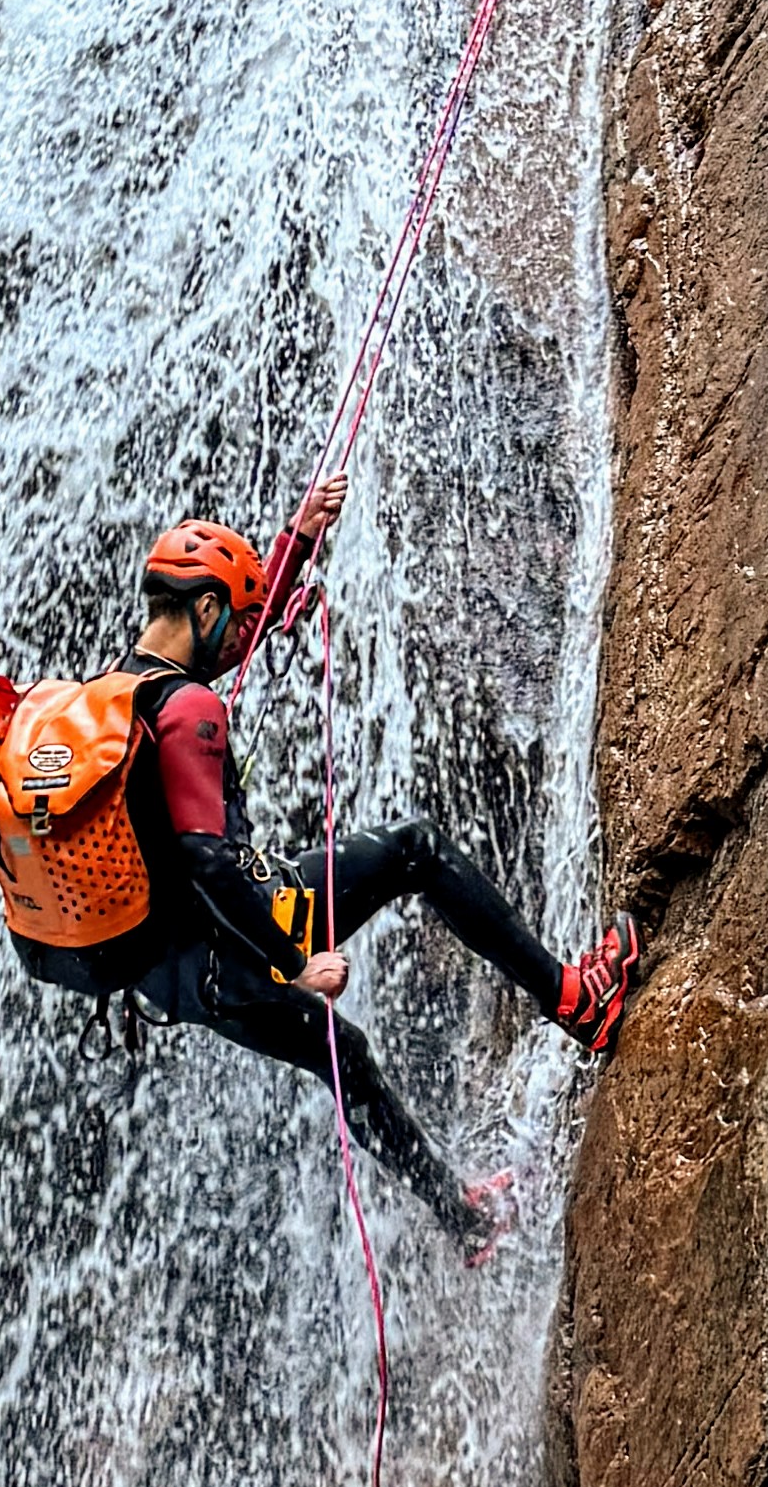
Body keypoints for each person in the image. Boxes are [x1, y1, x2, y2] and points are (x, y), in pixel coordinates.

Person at [122, 479, 638, 1258]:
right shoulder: (192, 711)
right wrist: (293, 962)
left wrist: (295, 543)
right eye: (230, 624)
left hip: (174, 977)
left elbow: (237, 639)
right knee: (414, 851)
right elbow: (206, 859)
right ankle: (576, 1002)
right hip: (243, 936)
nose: (240, 642)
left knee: (345, 1057)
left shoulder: (121, 695)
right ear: (202, 611)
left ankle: (464, 1215)